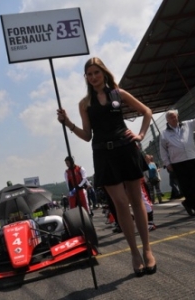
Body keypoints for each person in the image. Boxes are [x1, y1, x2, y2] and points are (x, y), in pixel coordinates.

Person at [57, 57, 156, 276]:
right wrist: (68, 123)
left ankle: (147, 250)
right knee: (120, 203)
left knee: (136, 200)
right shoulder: (85, 104)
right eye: (89, 74)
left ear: (103, 73)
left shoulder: (118, 94)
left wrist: (139, 134)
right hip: (103, 153)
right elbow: (86, 135)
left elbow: (147, 111)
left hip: (126, 149)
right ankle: (134, 253)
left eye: (96, 73)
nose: (93, 77)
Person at [159, 109, 195, 216]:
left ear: (177, 117)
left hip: (192, 158)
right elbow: (163, 150)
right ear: (167, 120)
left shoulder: (188, 124)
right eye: (170, 117)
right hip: (178, 163)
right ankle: (190, 204)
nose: (173, 119)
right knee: (185, 186)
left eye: (174, 116)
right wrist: (167, 163)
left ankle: (188, 203)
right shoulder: (164, 133)